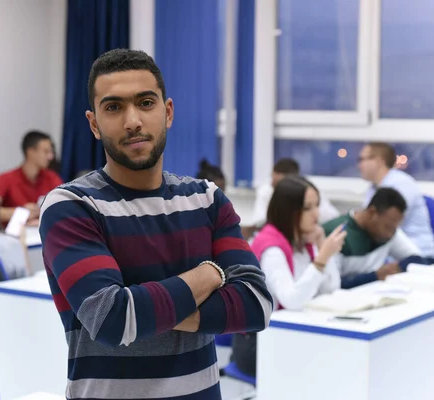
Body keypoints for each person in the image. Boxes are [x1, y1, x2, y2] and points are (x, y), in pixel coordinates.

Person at [39, 49, 273, 400]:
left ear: (168, 113)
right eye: (114, 107)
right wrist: (210, 274)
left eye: (145, 103)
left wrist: (141, 307)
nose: (132, 120)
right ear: (93, 123)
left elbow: (257, 305)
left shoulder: (206, 199)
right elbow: (111, 320)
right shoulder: (72, 206)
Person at [230, 176, 345, 377]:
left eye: (317, 205)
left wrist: (320, 245)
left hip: (288, 336)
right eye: (308, 207)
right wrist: (323, 258)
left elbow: (331, 288)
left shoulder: (303, 239)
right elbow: (291, 299)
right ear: (289, 210)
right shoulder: (272, 247)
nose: (316, 214)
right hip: (257, 345)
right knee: (327, 366)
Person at [323, 187, 434, 289]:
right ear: (372, 212)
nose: (390, 234)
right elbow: (330, 286)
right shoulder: (335, 234)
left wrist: (397, 268)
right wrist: (375, 276)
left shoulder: (389, 231)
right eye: (387, 227)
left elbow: (416, 259)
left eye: (394, 228)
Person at [358, 142, 434, 259]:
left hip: (418, 255)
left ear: (379, 161)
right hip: (391, 255)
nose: (360, 165)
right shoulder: (373, 188)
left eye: (363, 159)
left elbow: (382, 227)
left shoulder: (401, 184)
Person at [245, 158, 340, 239]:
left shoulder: (309, 193)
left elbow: (334, 219)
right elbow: (258, 221)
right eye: (272, 179)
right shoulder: (265, 191)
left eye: (277, 183)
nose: (271, 185)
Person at [0, 130, 63, 225]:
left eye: (51, 152)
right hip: (11, 237)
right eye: (46, 152)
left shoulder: (52, 177)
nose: (50, 157)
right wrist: (21, 212)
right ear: (31, 152)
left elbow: (64, 207)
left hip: (43, 235)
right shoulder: (5, 179)